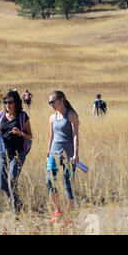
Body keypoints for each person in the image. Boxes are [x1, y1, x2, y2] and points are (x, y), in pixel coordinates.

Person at [0, 90, 33, 216]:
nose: (7, 105)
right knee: (2, 184)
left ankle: (17, 213)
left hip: (17, 154)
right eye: (5, 102)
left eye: (10, 102)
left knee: (12, 181)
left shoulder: (22, 116)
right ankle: (18, 204)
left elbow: (30, 136)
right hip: (3, 154)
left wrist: (20, 133)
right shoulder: (0, 115)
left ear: (16, 103)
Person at [46, 90, 80, 225]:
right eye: (50, 102)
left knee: (68, 185)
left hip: (68, 155)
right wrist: (48, 153)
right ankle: (58, 210)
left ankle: (69, 217)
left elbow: (76, 136)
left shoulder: (71, 115)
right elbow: (51, 137)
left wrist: (76, 154)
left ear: (62, 100)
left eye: (53, 101)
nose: (51, 104)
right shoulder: (52, 118)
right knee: (49, 181)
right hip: (54, 154)